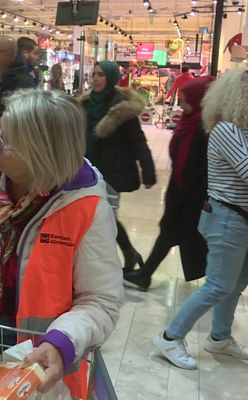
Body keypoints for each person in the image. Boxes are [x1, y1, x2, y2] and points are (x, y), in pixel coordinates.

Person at [0, 88, 123, 398]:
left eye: (6, 140)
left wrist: (61, 340)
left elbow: (100, 300)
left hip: (32, 360)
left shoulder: (87, 205)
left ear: (39, 154)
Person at [153, 69, 248, 370]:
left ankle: (219, 337)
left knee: (237, 281)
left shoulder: (242, 130)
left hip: (239, 218)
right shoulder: (226, 130)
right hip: (227, 218)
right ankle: (170, 337)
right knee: (219, 285)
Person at [124, 77, 213, 291]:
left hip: (193, 194)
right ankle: (145, 275)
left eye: (185, 101)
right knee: (169, 231)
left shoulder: (207, 128)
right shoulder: (188, 123)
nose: (181, 105)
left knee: (194, 237)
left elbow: (201, 167)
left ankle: (223, 282)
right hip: (179, 189)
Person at [80, 61, 156, 272]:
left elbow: (138, 141)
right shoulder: (85, 105)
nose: (95, 79)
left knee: (107, 219)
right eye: (93, 74)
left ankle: (109, 263)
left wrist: (147, 171)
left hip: (113, 172)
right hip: (86, 170)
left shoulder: (122, 107)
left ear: (111, 78)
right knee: (96, 218)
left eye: (101, 75)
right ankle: (128, 253)